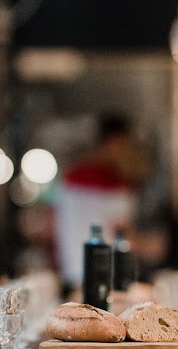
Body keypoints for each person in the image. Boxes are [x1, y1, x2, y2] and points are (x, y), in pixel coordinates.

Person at [54, 113, 144, 295]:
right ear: (114, 141)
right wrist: (148, 246)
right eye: (125, 144)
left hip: (71, 274)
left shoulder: (69, 178)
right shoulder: (119, 186)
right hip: (104, 278)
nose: (126, 151)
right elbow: (123, 234)